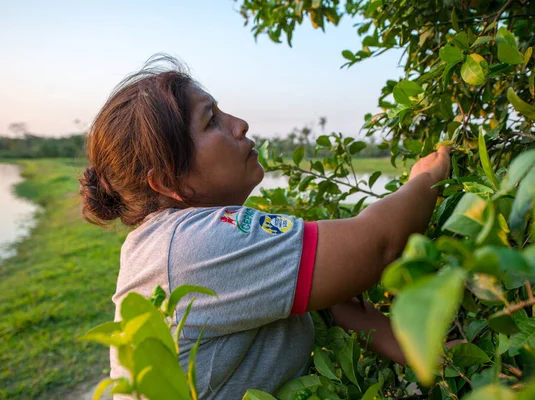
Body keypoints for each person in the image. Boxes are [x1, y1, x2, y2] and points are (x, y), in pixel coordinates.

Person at [79, 56, 451, 400]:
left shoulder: (172, 240)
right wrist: (428, 178)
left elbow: (341, 304)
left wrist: (447, 360)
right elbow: (377, 245)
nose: (239, 125)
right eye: (211, 121)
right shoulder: (194, 244)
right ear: (166, 180)